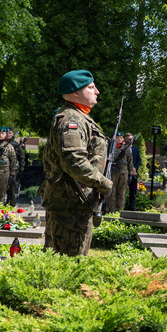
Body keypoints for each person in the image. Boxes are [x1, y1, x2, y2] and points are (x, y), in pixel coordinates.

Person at [42, 70, 112, 256]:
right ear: (75, 93)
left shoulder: (79, 117)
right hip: (71, 202)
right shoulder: (72, 120)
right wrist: (104, 183)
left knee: (59, 261)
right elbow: (74, 161)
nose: (97, 91)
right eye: (90, 87)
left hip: (74, 200)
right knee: (70, 263)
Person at [105, 131, 133, 213]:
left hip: (123, 173)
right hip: (113, 172)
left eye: (120, 137)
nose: (119, 139)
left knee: (121, 193)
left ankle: (120, 211)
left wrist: (130, 174)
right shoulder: (110, 148)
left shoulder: (126, 149)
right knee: (112, 193)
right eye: (117, 137)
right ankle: (112, 210)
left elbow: (130, 162)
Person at [6, 127, 25, 206]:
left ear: (12, 134)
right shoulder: (1, 143)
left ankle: (12, 205)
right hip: (3, 168)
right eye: (6, 133)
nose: (8, 135)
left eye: (10, 133)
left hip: (13, 169)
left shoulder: (16, 145)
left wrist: (21, 168)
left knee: (12, 189)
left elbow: (21, 157)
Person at [125, 133, 141, 210]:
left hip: (134, 172)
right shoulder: (123, 149)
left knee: (133, 191)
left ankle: (132, 206)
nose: (130, 141)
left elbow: (138, 159)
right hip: (125, 172)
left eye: (131, 139)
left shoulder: (135, 149)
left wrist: (135, 168)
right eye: (129, 139)